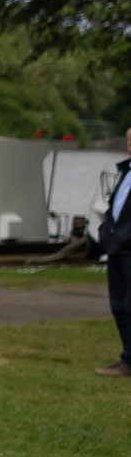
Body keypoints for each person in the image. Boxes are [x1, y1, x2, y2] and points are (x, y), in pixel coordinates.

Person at [95, 153, 131, 377]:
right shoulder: (125, 171)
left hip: (127, 247)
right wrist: (105, 234)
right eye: (128, 140)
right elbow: (114, 208)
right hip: (117, 248)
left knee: (130, 306)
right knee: (118, 305)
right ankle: (128, 359)